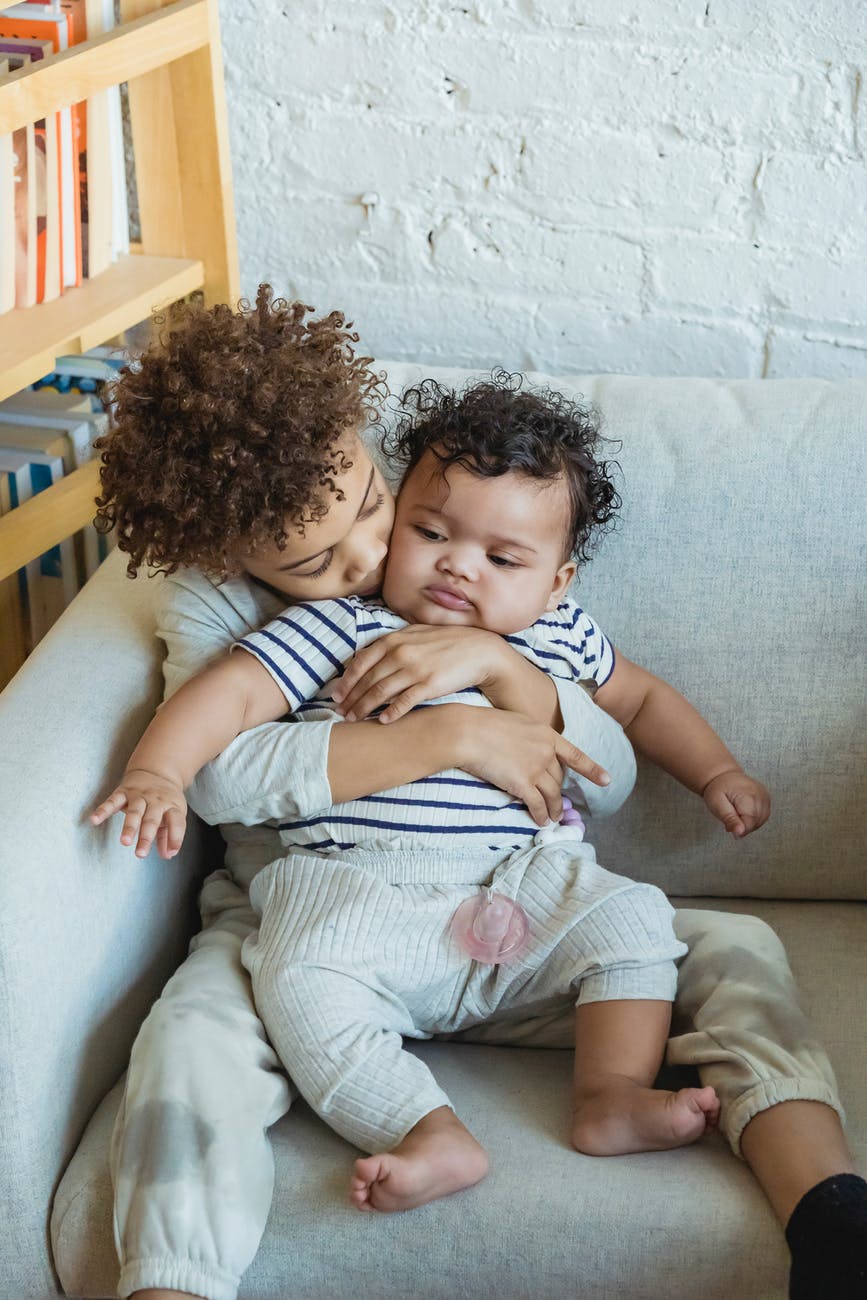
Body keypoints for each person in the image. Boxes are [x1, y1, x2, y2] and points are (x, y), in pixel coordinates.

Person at [92, 288, 865, 1300]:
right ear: (231, 556)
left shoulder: (517, 604)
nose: (374, 562)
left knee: (719, 945)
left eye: (378, 509)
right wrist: (446, 733)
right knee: (200, 1032)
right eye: (316, 561)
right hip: (330, 907)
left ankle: (827, 1211)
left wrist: (514, 681)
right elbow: (224, 767)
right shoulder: (270, 614)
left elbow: (614, 758)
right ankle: (177, 1278)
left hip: (520, 908)